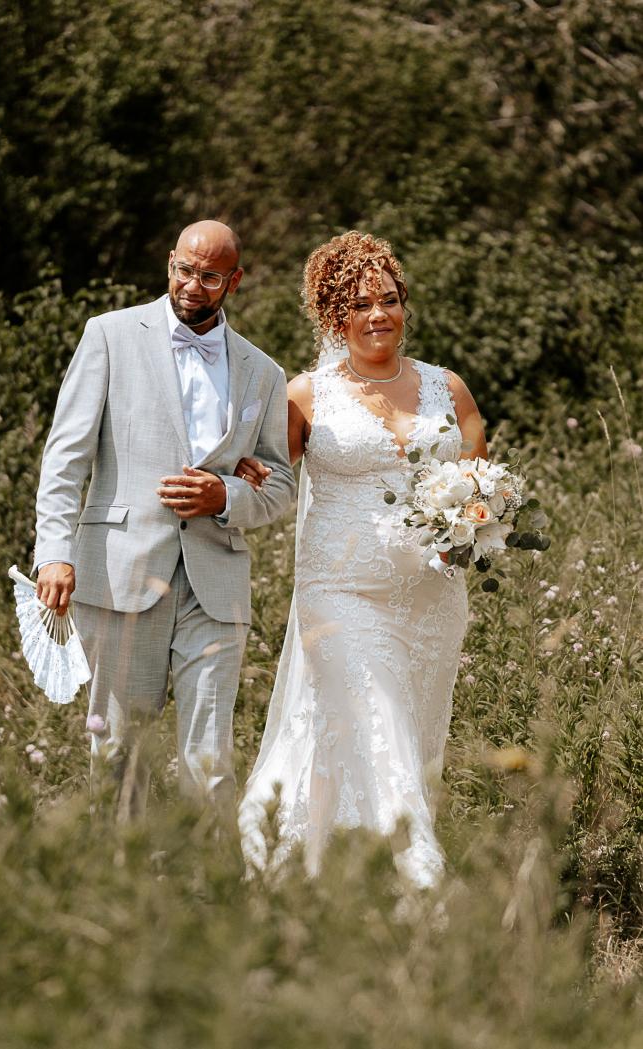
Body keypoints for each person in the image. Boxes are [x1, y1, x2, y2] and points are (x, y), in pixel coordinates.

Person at [237, 231, 488, 888]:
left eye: (389, 299)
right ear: (332, 315)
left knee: (412, 733)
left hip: (432, 598)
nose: (378, 315)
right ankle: (419, 884)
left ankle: (335, 872)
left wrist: (474, 519)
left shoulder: (447, 388)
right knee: (383, 727)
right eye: (359, 303)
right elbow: (265, 481)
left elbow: (483, 482)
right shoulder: (306, 395)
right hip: (340, 592)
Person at [33, 219, 296, 822]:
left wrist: (224, 496)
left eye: (209, 277)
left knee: (211, 757)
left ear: (235, 279)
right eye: (184, 270)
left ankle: (206, 898)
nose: (193, 286)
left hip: (215, 580)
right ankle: (118, 891)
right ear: (170, 262)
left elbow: (281, 484)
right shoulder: (109, 335)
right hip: (120, 570)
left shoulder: (264, 371)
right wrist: (53, 551)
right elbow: (65, 455)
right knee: (121, 752)